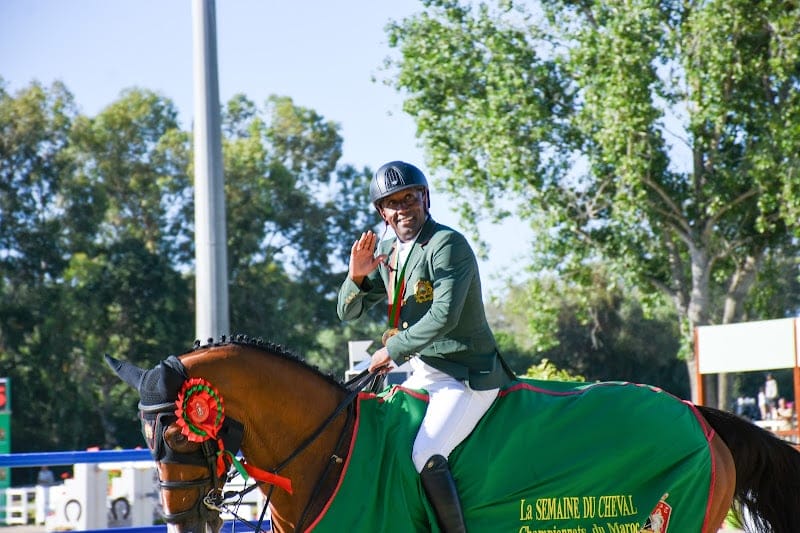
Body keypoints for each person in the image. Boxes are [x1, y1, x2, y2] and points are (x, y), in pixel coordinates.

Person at [337, 160, 513, 532]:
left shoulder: (447, 245)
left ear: (425, 198)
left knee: (424, 453)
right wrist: (355, 276)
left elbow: (444, 316)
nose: (403, 208)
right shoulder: (387, 253)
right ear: (382, 212)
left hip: (465, 376)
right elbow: (348, 312)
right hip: (424, 375)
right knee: (384, 447)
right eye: (393, 203)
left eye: (409, 198)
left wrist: (392, 350)